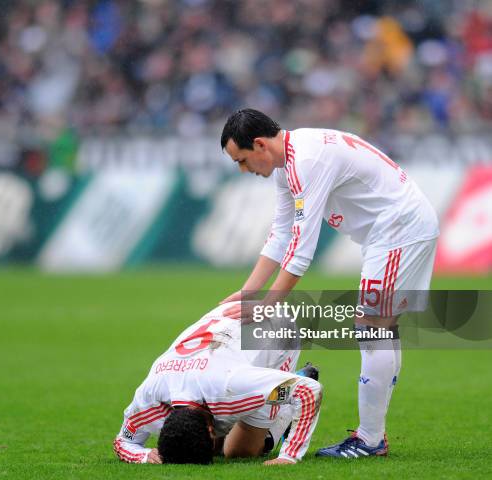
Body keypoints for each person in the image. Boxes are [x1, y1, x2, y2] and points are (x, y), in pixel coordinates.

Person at [219, 109, 439, 458]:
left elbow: (301, 250)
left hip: (399, 230)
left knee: (371, 326)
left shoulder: (307, 160)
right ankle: (371, 438)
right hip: (392, 232)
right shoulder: (287, 164)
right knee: (381, 327)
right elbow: (280, 235)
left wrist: (267, 305)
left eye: (242, 160)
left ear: (260, 144)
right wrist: (248, 293)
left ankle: (369, 440)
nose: (244, 170)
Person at [113, 302, 322, 465]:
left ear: (211, 430)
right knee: (209, 446)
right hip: (227, 334)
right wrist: (144, 454)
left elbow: (308, 392)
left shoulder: (234, 387)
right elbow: (123, 441)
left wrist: (289, 456)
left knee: (240, 452)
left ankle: (291, 388)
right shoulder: (148, 399)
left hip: (274, 329)